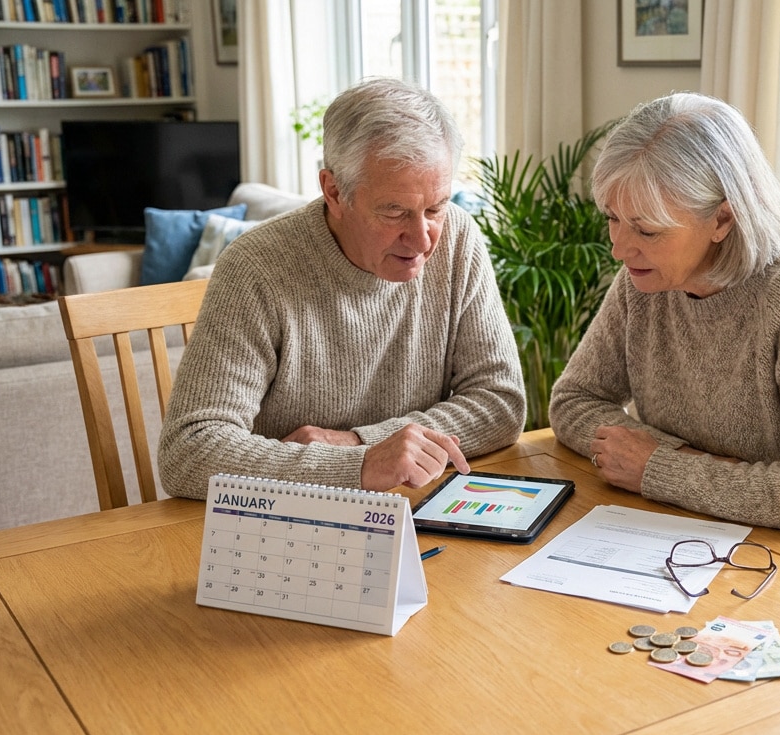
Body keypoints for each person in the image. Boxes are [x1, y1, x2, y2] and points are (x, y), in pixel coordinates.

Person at [548, 93, 780, 568]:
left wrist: (659, 467)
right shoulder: (642, 284)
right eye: (613, 219)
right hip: (710, 541)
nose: (620, 248)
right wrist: (691, 466)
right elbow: (573, 401)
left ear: (723, 218)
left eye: (647, 230)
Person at [158, 78, 526, 499]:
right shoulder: (255, 267)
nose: (423, 240)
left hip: (414, 505)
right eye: (394, 212)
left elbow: (500, 404)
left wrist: (358, 442)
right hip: (285, 527)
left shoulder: (459, 239)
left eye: (435, 207)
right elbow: (189, 450)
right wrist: (360, 466)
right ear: (334, 191)